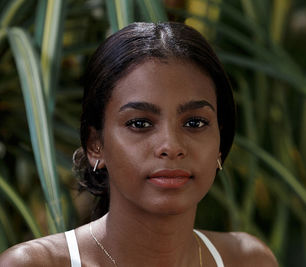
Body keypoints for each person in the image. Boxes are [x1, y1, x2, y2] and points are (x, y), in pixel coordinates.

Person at [0, 22, 278, 267]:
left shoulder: (248, 260)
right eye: (140, 124)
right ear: (96, 144)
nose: (171, 146)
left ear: (220, 143)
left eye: (194, 123)